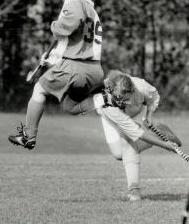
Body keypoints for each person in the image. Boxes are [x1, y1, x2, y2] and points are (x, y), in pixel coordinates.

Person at [8, 0, 104, 150]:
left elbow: (66, 27)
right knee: (70, 106)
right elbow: (73, 42)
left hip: (75, 67)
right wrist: (51, 59)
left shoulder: (73, 1)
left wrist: (55, 26)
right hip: (94, 70)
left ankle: (28, 136)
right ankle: (105, 99)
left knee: (39, 89)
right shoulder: (92, 9)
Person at [76, 70, 181, 201]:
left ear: (132, 90)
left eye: (127, 98)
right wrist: (164, 144)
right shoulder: (106, 104)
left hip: (136, 112)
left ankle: (134, 190)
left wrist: (149, 114)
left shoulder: (142, 87)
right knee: (119, 154)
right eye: (121, 99)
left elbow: (154, 97)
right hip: (111, 117)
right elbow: (137, 134)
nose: (125, 102)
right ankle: (161, 134)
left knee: (128, 145)